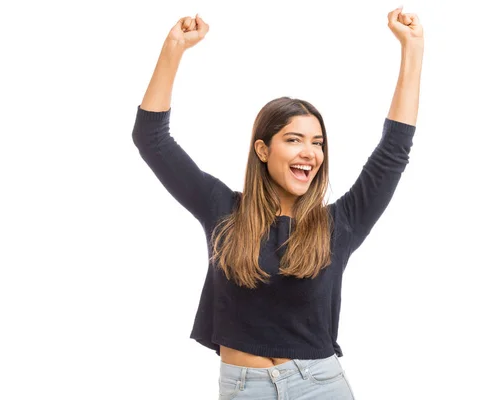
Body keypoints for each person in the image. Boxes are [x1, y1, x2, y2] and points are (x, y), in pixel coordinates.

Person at [132, 6, 423, 399]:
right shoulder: (223, 210)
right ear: (262, 150)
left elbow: (393, 151)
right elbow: (152, 140)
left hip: (321, 385)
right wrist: (174, 48)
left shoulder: (339, 224)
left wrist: (413, 49)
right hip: (243, 387)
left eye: (317, 142)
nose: (310, 152)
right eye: (294, 139)